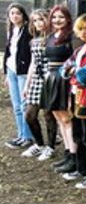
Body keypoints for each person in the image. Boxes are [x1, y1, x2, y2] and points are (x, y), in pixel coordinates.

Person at [60, 13, 86, 189]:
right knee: (78, 133)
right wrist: (72, 70)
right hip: (75, 96)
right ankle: (81, 168)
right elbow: (63, 69)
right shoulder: (80, 49)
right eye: (81, 29)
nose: (84, 33)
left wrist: (73, 71)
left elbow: (84, 76)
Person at [40, 5, 78, 174]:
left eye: (61, 17)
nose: (57, 20)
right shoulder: (49, 36)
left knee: (67, 118)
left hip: (63, 79)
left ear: (68, 19)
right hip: (50, 78)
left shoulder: (71, 36)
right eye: (54, 17)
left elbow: (76, 59)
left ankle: (74, 156)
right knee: (58, 118)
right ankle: (67, 152)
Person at [20, 9, 58, 160]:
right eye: (35, 21)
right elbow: (33, 63)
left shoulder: (55, 38)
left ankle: (50, 147)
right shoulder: (33, 40)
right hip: (37, 79)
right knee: (29, 115)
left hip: (50, 79)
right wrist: (27, 85)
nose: (38, 23)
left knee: (49, 115)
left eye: (41, 19)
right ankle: (39, 144)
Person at [3, 3, 33, 149]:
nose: (15, 16)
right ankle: (21, 135)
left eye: (18, 13)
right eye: (12, 13)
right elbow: (8, 53)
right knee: (16, 106)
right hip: (11, 70)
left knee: (24, 105)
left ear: (23, 15)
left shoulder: (28, 30)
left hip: (24, 72)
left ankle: (28, 137)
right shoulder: (11, 30)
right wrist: (6, 74)